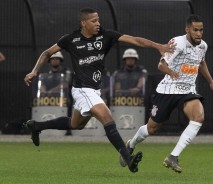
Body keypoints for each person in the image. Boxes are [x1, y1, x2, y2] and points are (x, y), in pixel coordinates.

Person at [23, 7, 173, 173]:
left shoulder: (106, 35)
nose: (98, 23)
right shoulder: (70, 39)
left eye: (98, 20)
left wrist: (158, 46)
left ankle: (36, 126)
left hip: (94, 90)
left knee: (75, 124)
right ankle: (128, 158)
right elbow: (47, 52)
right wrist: (34, 71)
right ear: (83, 23)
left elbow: (135, 40)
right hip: (82, 89)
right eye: (94, 21)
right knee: (107, 118)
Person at [119, 14, 213, 173]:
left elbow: (201, 63)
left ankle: (173, 156)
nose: (199, 33)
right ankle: (130, 145)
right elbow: (160, 65)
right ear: (187, 29)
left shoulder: (203, 46)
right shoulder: (177, 43)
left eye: (201, 30)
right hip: (167, 90)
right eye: (195, 30)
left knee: (198, 116)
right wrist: (171, 72)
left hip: (187, 91)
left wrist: (211, 82)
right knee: (151, 129)